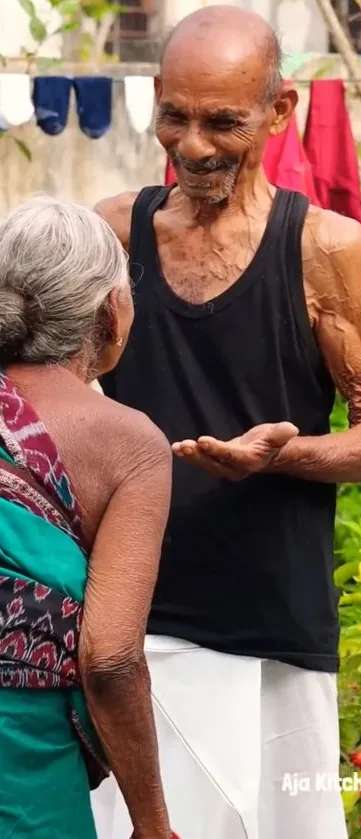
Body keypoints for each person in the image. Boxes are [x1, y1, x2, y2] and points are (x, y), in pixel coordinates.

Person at [96, 6, 361, 839]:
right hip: (132, 631)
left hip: (273, 628)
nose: (192, 145)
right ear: (155, 97)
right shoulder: (112, 231)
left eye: (222, 120)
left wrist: (282, 454)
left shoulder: (324, 248)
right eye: (175, 116)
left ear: (279, 111)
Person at [0, 195, 173, 839]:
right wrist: (153, 824)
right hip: (23, 767)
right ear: (110, 311)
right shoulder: (127, 441)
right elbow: (111, 659)